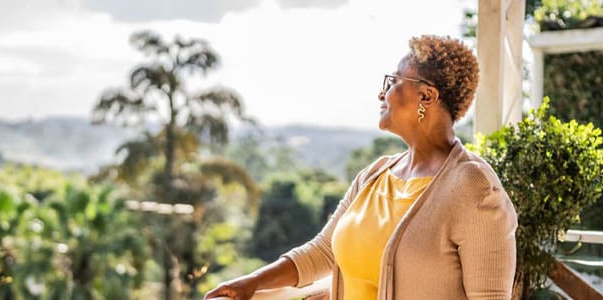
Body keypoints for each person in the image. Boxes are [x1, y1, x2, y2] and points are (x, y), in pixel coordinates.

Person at [204, 35, 518, 300]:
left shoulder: (476, 191)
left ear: (427, 95)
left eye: (394, 81)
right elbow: (324, 252)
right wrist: (252, 282)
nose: (382, 93)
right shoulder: (376, 175)